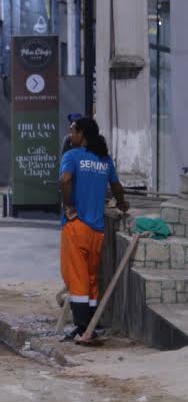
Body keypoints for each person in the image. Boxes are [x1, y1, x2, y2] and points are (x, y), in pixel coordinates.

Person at [59, 117, 129, 342]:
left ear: (82, 134)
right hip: (97, 230)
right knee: (90, 277)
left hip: (77, 227)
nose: (70, 135)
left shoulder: (71, 156)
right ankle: (92, 322)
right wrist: (121, 202)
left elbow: (65, 180)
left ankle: (82, 328)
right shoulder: (105, 160)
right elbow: (116, 186)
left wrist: (69, 206)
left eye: (73, 131)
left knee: (76, 278)